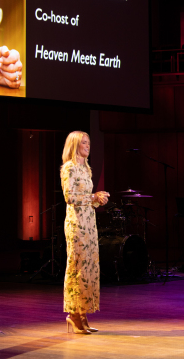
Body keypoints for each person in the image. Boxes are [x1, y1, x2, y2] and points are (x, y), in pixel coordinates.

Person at [60, 131, 109, 334]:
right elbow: (70, 198)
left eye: (89, 142)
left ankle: (83, 313)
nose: (88, 146)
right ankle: (73, 314)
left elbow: (87, 199)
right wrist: (92, 197)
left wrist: (98, 200)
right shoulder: (69, 168)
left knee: (89, 268)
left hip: (89, 223)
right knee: (78, 267)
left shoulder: (86, 168)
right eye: (84, 143)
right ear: (74, 145)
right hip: (76, 224)